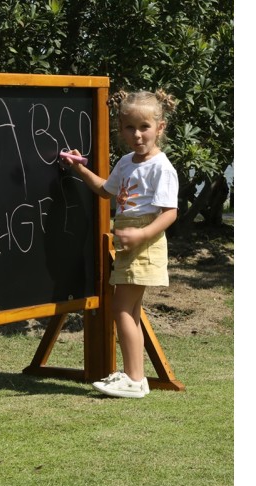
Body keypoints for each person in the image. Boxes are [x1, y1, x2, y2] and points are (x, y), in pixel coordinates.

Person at [61, 89, 178, 398]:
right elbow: (105, 190)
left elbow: (170, 213)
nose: (137, 134)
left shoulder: (161, 167)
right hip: (129, 237)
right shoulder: (126, 162)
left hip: (144, 239)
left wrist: (140, 235)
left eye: (144, 127)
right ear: (121, 129)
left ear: (160, 128)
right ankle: (136, 378)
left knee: (121, 309)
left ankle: (134, 378)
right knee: (129, 309)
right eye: (130, 127)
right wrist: (79, 168)